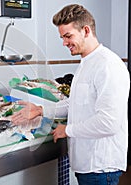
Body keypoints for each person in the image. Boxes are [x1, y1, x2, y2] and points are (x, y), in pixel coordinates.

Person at [11, 4, 130, 185]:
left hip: (100, 168)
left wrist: (67, 130)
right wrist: (40, 110)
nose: (64, 43)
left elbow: (109, 122)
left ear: (86, 30)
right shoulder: (86, 63)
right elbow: (73, 104)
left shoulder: (108, 65)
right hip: (87, 166)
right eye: (62, 37)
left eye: (68, 36)